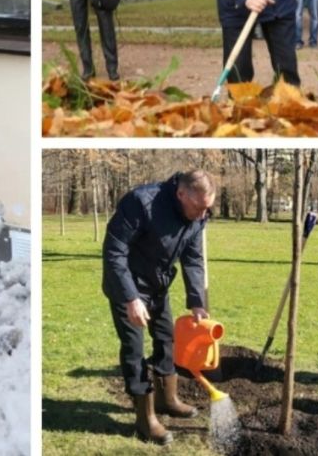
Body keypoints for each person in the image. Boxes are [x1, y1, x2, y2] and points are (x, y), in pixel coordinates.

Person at [102, 170, 215, 445]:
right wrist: (131, 298)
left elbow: (193, 257)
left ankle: (168, 399)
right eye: (198, 207)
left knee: (166, 339)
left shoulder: (197, 216)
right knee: (134, 348)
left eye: (207, 209)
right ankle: (145, 418)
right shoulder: (141, 203)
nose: (202, 215)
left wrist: (197, 302)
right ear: (181, 194)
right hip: (126, 285)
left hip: (158, 287)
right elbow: (114, 251)